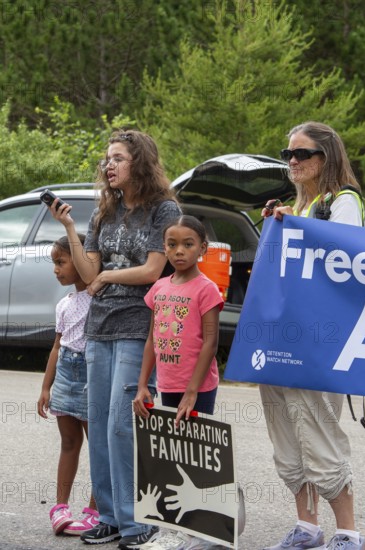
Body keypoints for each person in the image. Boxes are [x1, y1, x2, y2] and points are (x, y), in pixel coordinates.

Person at [48, 129, 182, 548]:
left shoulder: (164, 209)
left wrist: (106, 275)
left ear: (139, 163)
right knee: (103, 424)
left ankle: (137, 522)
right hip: (99, 327)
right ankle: (107, 516)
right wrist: (70, 225)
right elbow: (88, 275)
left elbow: (153, 270)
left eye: (118, 158)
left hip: (138, 325)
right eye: (106, 159)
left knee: (125, 426)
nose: (109, 165)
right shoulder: (103, 212)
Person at [260, 121, 365, 550]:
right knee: (285, 435)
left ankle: (348, 531)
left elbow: (346, 264)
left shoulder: (343, 202)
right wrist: (278, 223)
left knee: (317, 430)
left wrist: (294, 230)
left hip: (316, 341)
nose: (293, 161)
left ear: (328, 156)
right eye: (288, 155)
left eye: (302, 153)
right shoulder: (298, 207)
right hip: (280, 338)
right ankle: (307, 526)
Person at [133, 215, 224, 550]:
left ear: (203, 247)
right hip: (167, 385)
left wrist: (191, 392)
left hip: (197, 388)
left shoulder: (206, 289)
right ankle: (172, 527)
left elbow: (210, 342)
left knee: (197, 456)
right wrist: (143, 385)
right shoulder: (159, 287)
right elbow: (151, 340)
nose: (179, 251)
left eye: (188, 244)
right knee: (171, 456)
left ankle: (208, 531)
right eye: (172, 244)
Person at [37, 234, 99, 536]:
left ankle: (96, 509)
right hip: (66, 375)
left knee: (98, 446)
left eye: (61, 262)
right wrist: (46, 387)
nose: (56, 269)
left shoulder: (99, 297)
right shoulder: (64, 304)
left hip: (91, 375)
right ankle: (60, 507)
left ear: (79, 262)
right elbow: (57, 347)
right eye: (54, 263)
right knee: (69, 443)